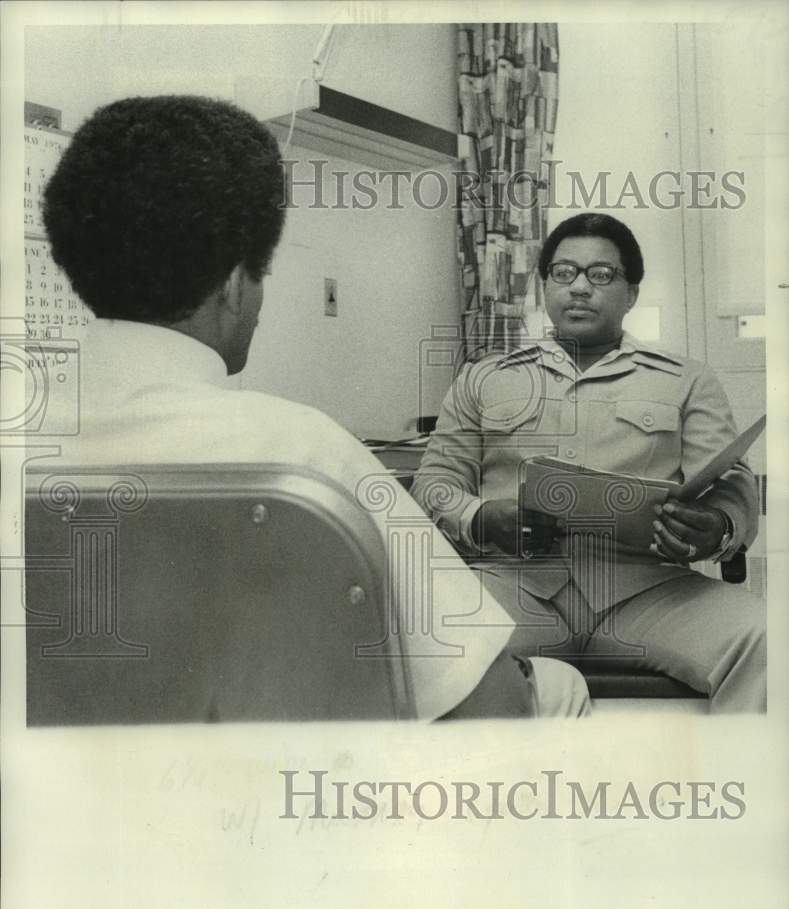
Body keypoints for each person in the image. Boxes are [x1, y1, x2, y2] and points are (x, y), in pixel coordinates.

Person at [40, 95, 590, 721]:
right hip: (297, 797)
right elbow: (490, 710)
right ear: (232, 282)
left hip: (81, 797)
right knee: (553, 687)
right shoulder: (305, 454)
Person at [412, 212, 765, 712]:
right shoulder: (484, 377)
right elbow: (435, 482)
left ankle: (742, 783)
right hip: (515, 586)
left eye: (600, 275)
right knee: (418, 639)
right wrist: (482, 517)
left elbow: (731, 484)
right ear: (543, 286)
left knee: (767, 638)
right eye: (563, 272)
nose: (579, 287)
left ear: (631, 293)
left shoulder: (687, 380)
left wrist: (718, 528)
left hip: (648, 591)